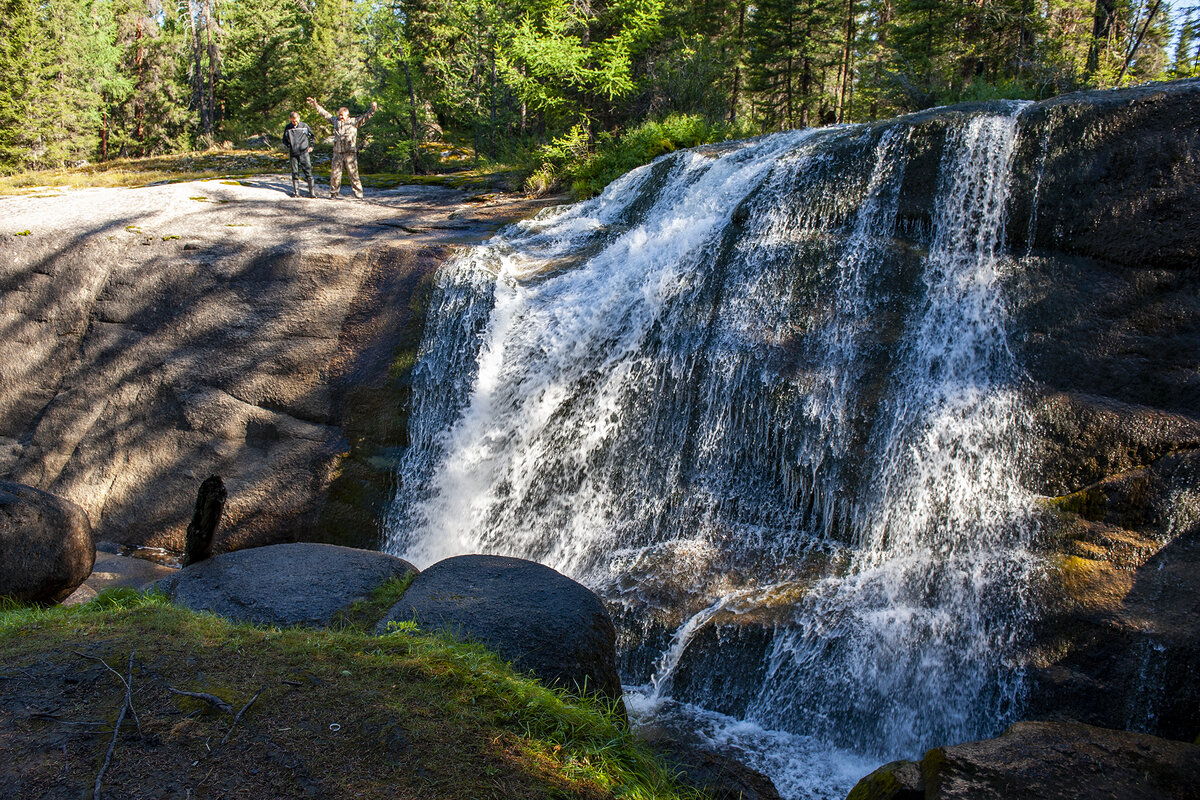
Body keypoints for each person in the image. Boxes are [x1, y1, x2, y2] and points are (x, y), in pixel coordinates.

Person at [306, 97, 378, 199]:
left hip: (350, 154)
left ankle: (358, 194)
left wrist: (373, 109)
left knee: (354, 174)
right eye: (339, 115)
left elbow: (365, 117)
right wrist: (315, 105)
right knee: (335, 175)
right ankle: (333, 193)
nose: (340, 117)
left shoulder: (354, 122)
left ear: (347, 115)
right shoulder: (335, 121)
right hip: (337, 153)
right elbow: (325, 114)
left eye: (342, 115)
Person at [282, 111, 316, 198]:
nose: (295, 123)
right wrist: (290, 146)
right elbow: (284, 140)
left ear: (299, 118)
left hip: (304, 152)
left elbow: (312, 136)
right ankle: (296, 192)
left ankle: (312, 193)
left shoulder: (304, 126)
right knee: (295, 172)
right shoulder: (288, 128)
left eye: (296, 121)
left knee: (308, 172)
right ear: (290, 119)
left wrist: (311, 146)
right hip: (293, 153)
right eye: (293, 121)